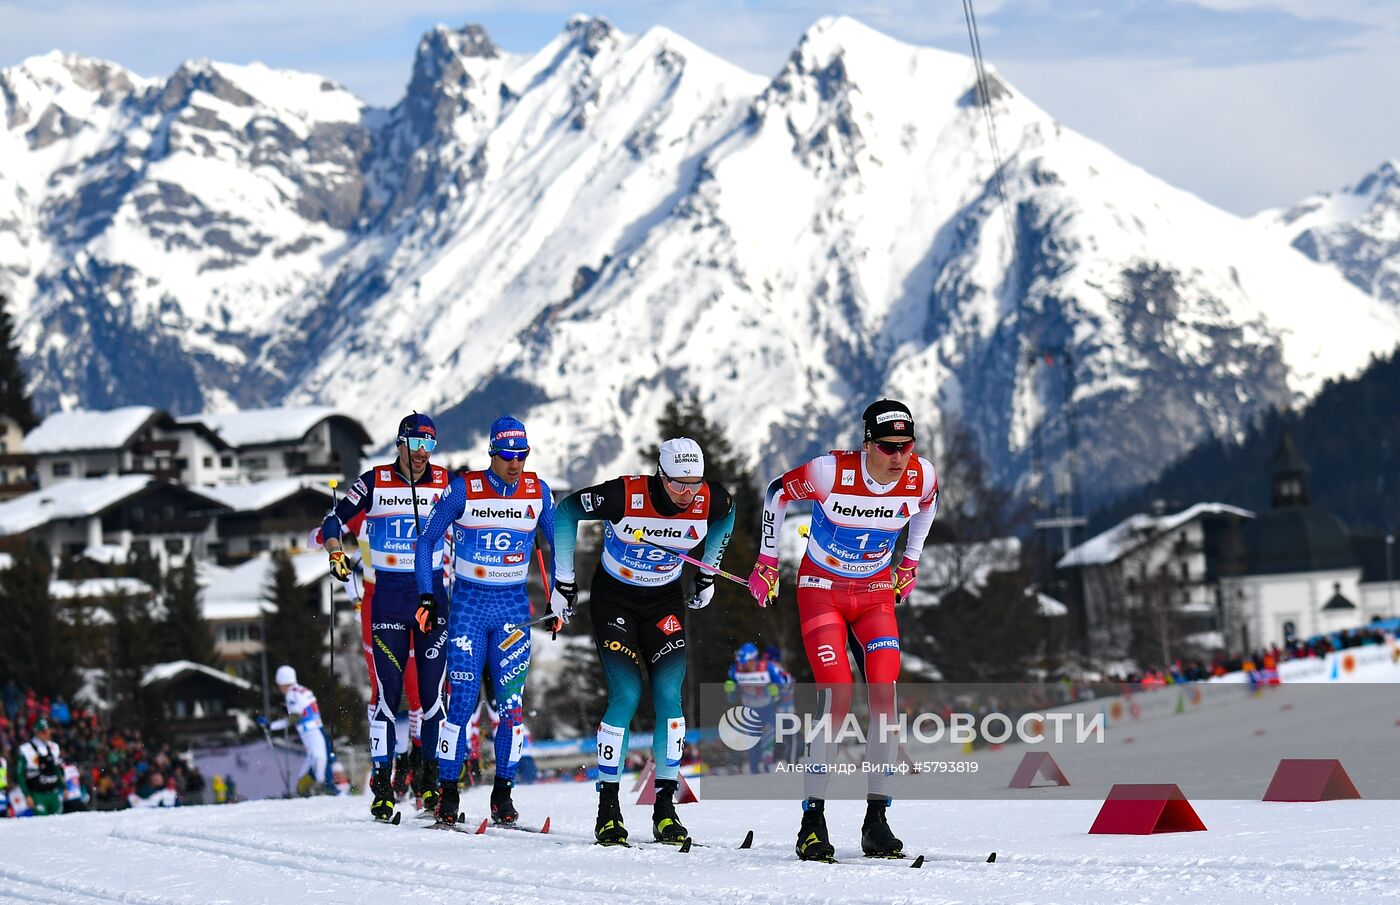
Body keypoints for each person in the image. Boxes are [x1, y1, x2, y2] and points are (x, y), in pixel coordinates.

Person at [748, 399, 939, 861]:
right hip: (823, 590)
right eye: (889, 447)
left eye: (907, 446)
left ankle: (877, 820)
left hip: (874, 593)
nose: (899, 457)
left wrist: (909, 564)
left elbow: (927, 508)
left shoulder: (921, 475)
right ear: (867, 444)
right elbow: (776, 492)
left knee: (884, 694)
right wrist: (767, 561)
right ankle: (812, 820)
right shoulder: (830, 472)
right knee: (837, 693)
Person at [550, 437, 736, 846]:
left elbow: (728, 515)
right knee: (628, 695)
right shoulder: (625, 494)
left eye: (695, 483)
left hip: (664, 601)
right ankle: (609, 809)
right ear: (660, 475)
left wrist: (708, 572)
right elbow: (565, 512)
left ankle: (665, 809)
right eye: (678, 484)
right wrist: (563, 580)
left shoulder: (710, 498)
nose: (688, 494)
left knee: (670, 695)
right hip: (614, 599)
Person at [414, 416, 556, 827]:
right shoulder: (464, 489)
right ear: (492, 453)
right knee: (459, 704)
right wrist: (428, 593)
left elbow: (557, 539)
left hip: (513, 608)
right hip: (469, 608)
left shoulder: (538, 491)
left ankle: (503, 796)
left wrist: (561, 593)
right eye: (508, 456)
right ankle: (447, 793)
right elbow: (426, 540)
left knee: (511, 708)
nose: (515, 464)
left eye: (522, 456)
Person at [322, 412, 452, 821]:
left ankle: (429, 783)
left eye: (429, 446)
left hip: (432, 599)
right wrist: (335, 551)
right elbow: (333, 520)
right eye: (416, 445)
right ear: (400, 443)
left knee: (432, 699)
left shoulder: (444, 481)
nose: (422, 454)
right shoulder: (375, 480)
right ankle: (382, 785)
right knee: (387, 694)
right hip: (390, 599)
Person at [308, 514, 424, 799]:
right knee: (384, 692)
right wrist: (329, 538)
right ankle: (384, 767)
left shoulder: (421, 502)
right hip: (375, 611)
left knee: (420, 692)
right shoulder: (363, 509)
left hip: (416, 606)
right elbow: (314, 539)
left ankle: (418, 767)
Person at [259, 665, 330, 796]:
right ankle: (313, 787)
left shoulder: (291, 694)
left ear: (282, 682)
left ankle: (319, 786)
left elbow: (296, 717)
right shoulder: (304, 690)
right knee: (317, 758)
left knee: (317, 758)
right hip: (317, 728)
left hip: (309, 732)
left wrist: (271, 726)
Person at [724, 641, 793, 774]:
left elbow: (786, 687)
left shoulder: (768, 667)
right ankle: (755, 772)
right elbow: (731, 698)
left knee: (767, 745)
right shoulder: (735, 670)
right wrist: (731, 691)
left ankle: (768, 770)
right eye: (740, 662)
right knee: (752, 746)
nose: (742, 666)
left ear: (753, 659)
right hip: (749, 712)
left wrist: (775, 691)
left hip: (768, 710)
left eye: (745, 662)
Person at [17, 717, 63, 816]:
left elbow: (57, 769)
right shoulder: (25, 750)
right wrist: (27, 795)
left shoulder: (54, 747)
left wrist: (64, 787)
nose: (47, 733)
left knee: (58, 824)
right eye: (43, 731)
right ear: (37, 732)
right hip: (38, 794)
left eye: (48, 730)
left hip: (53, 793)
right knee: (43, 825)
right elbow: (20, 775)